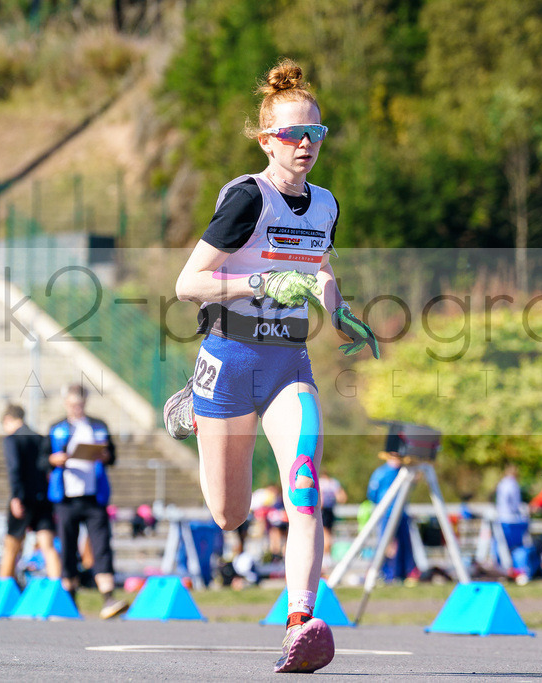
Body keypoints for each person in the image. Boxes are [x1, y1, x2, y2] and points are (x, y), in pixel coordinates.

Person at [166, 57, 379, 675]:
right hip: (229, 361)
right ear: (267, 140)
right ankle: (194, 411)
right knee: (230, 514)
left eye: (316, 133)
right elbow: (188, 283)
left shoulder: (327, 204)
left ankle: (301, 623)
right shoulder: (245, 198)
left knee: (305, 486)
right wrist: (262, 278)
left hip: (288, 364)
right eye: (293, 134)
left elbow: (321, 265)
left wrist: (339, 314)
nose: (306, 145)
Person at [43, 383, 127, 619]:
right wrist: (53, 459)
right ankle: (70, 601)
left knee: (101, 546)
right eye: (72, 405)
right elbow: (42, 460)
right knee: (68, 548)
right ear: (65, 404)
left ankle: (108, 598)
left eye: (79, 404)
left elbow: (112, 456)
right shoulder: (56, 428)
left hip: (94, 497)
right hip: (66, 498)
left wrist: (104, 454)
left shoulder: (98, 426)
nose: (76, 408)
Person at [0, 403, 62, 581]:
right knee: (48, 547)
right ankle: (57, 590)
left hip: (23, 498)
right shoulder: (39, 438)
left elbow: (14, 468)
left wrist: (16, 497)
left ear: (8, 420)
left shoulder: (12, 439)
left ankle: (4, 592)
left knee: (11, 547)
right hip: (43, 497)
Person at [367, 453, 416, 584]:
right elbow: (372, 493)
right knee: (385, 544)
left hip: (401, 513)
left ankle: (402, 573)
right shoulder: (381, 472)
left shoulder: (404, 471)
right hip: (386, 514)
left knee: (404, 544)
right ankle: (384, 573)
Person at [318, 469, 347, 566]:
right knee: (329, 533)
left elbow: (320, 498)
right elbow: (342, 497)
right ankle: (328, 555)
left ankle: (326, 556)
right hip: (331, 509)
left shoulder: (321, 482)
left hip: (323, 510)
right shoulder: (333, 483)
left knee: (325, 534)